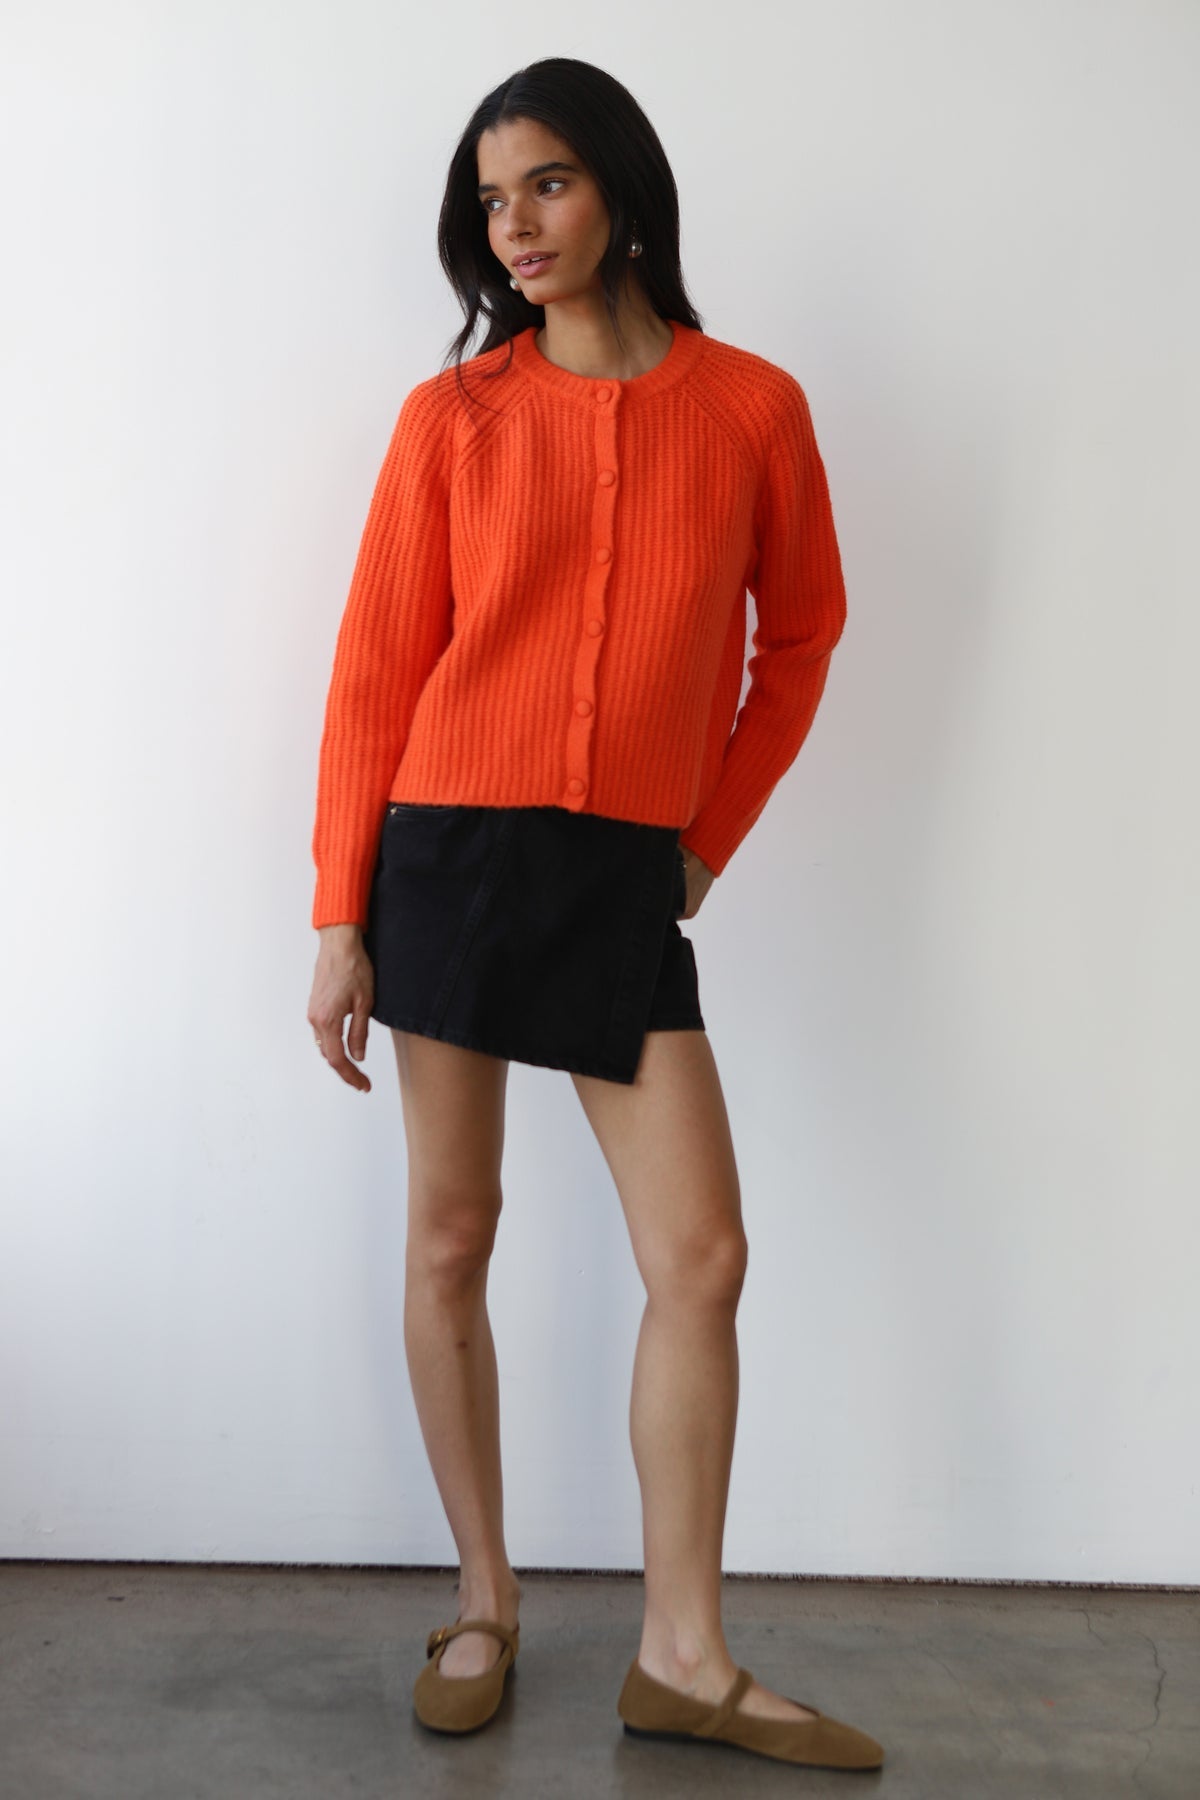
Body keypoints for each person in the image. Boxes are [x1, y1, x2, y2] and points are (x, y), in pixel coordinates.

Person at [306, 56, 882, 1775]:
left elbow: (803, 640)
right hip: (451, 857)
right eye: (492, 201)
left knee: (701, 1257)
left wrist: (704, 842)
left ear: (621, 186)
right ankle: (483, 1599)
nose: (517, 225)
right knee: (451, 1235)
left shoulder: (752, 409)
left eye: (546, 184)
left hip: (623, 873)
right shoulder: (454, 421)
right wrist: (339, 911)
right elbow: (375, 671)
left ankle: (683, 1655)